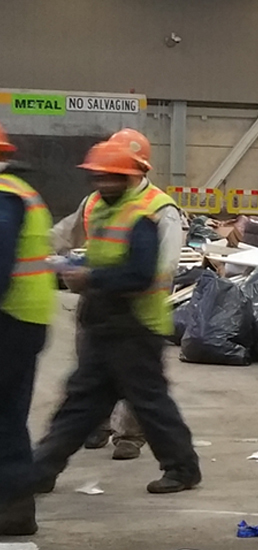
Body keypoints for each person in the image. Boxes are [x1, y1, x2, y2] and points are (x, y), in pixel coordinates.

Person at [32, 132, 202, 495]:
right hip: (102, 320)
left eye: (112, 176)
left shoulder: (151, 211)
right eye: (99, 176)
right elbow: (68, 236)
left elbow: (147, 272)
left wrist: (89, 275)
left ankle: (182, 468)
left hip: (136, 324)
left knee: (148, 401)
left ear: (133, 174)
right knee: (81, 402)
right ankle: (42, 469)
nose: (104, 182)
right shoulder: (97, 203)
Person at [0, 123, 57, 536]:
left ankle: (16, 506)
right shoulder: (20, 192)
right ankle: (16, 506)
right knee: (8, 414)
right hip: (25, 317)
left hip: (10, 319)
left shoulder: (5, 197)